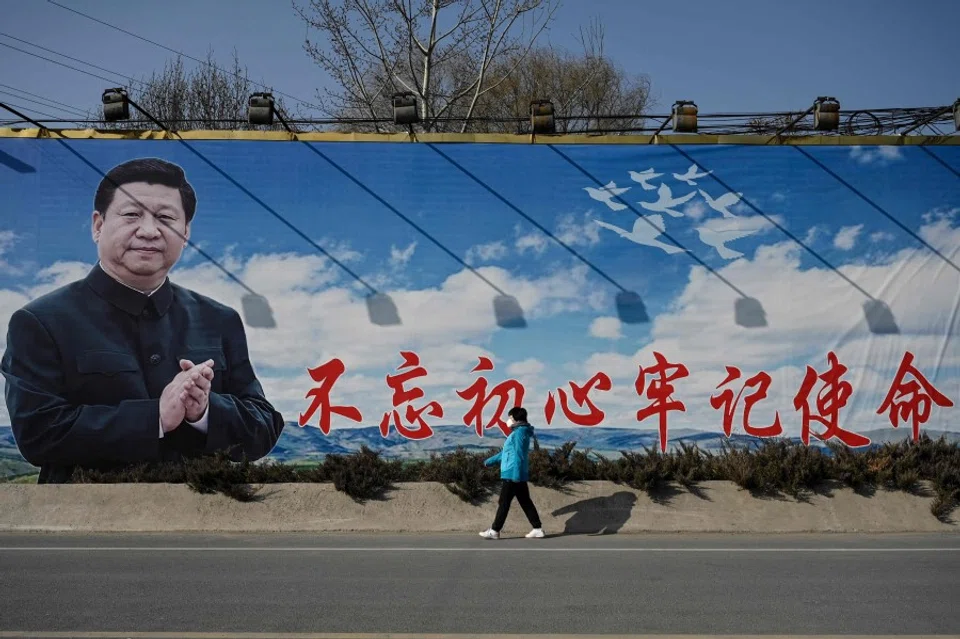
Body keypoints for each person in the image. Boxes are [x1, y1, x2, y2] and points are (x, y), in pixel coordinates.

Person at [1, 157, 285, 483]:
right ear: (98, 224)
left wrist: (204, 412)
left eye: (165, 218)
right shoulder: (40, 321)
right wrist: (155, 418)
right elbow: (37, 434)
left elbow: (262, 428)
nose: (149, 230)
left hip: (203, 523)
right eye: (132, 214)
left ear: (186, 232)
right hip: (84, 525)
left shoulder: (219, 319)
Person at [479, 406, 545, 539]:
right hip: (516, 473)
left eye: (510, 418)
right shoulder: (519, 432)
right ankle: (537, 528)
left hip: (512, 474)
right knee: (525, 501)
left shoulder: (519, 433)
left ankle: (494, 530)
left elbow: (519, 454)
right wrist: (490, 461)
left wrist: (515, 475)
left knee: (504, 502)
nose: (508, 420)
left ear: (516, 419)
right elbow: (506, 453)